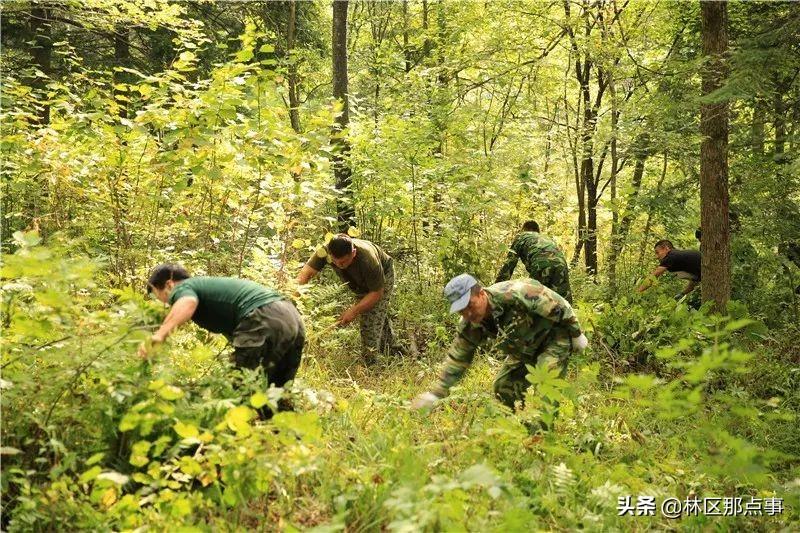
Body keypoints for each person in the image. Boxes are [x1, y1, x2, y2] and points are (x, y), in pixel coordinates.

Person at [139, 264, 305, 417]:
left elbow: (188, 302)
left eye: (161, 297)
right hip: (291, 317)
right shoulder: (205, 286)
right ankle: (282, 440)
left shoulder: (184, 287)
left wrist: (159, 335)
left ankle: (232, 439)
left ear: (169, 285)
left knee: (239, 387)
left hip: (264, 316)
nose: (167, 304)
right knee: (276, 392)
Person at [412, 274, 588, 418]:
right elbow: (458, 358)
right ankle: (515, 427)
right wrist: (436, 393)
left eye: (470, 306)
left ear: (481, 294)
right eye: (461, 311)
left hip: (554, 338)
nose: (468, 314)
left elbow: (560, 305)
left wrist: (576, 333)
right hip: (524, 347)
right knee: (503, 386)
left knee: (546, 388)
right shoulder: (470, 323)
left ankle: (542, 442)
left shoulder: (515, 293)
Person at [296, 234, 399, 365]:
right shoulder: (324, 252)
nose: (339, 265)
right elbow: (305, 274)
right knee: (378, 313)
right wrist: (293, 301)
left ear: (353, 253)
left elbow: (376, 293)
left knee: (370, 317)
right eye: (335, 261)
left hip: (383, 274)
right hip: (358, 282)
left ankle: (371, 364)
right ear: (330, 254)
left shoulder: (368, 259)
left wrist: (354, 311)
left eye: (344, 261)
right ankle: (392, 349)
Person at [495, 220, 573, 303]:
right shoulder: (546, 238)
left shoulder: (521, 236)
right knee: (563, 302)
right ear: (537, 230)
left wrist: (496, 290)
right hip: (561, 264)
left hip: (540, 264)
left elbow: (509, 265)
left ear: (524, 230)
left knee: (535, 302)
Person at [636, 239, 701, 298]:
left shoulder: (670, 256)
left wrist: (637, 293)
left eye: (657, 252)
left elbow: (652, 277)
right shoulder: (678, 259)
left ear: (666, 248)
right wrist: (682, 294)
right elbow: (694, 281)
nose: (657, 257)